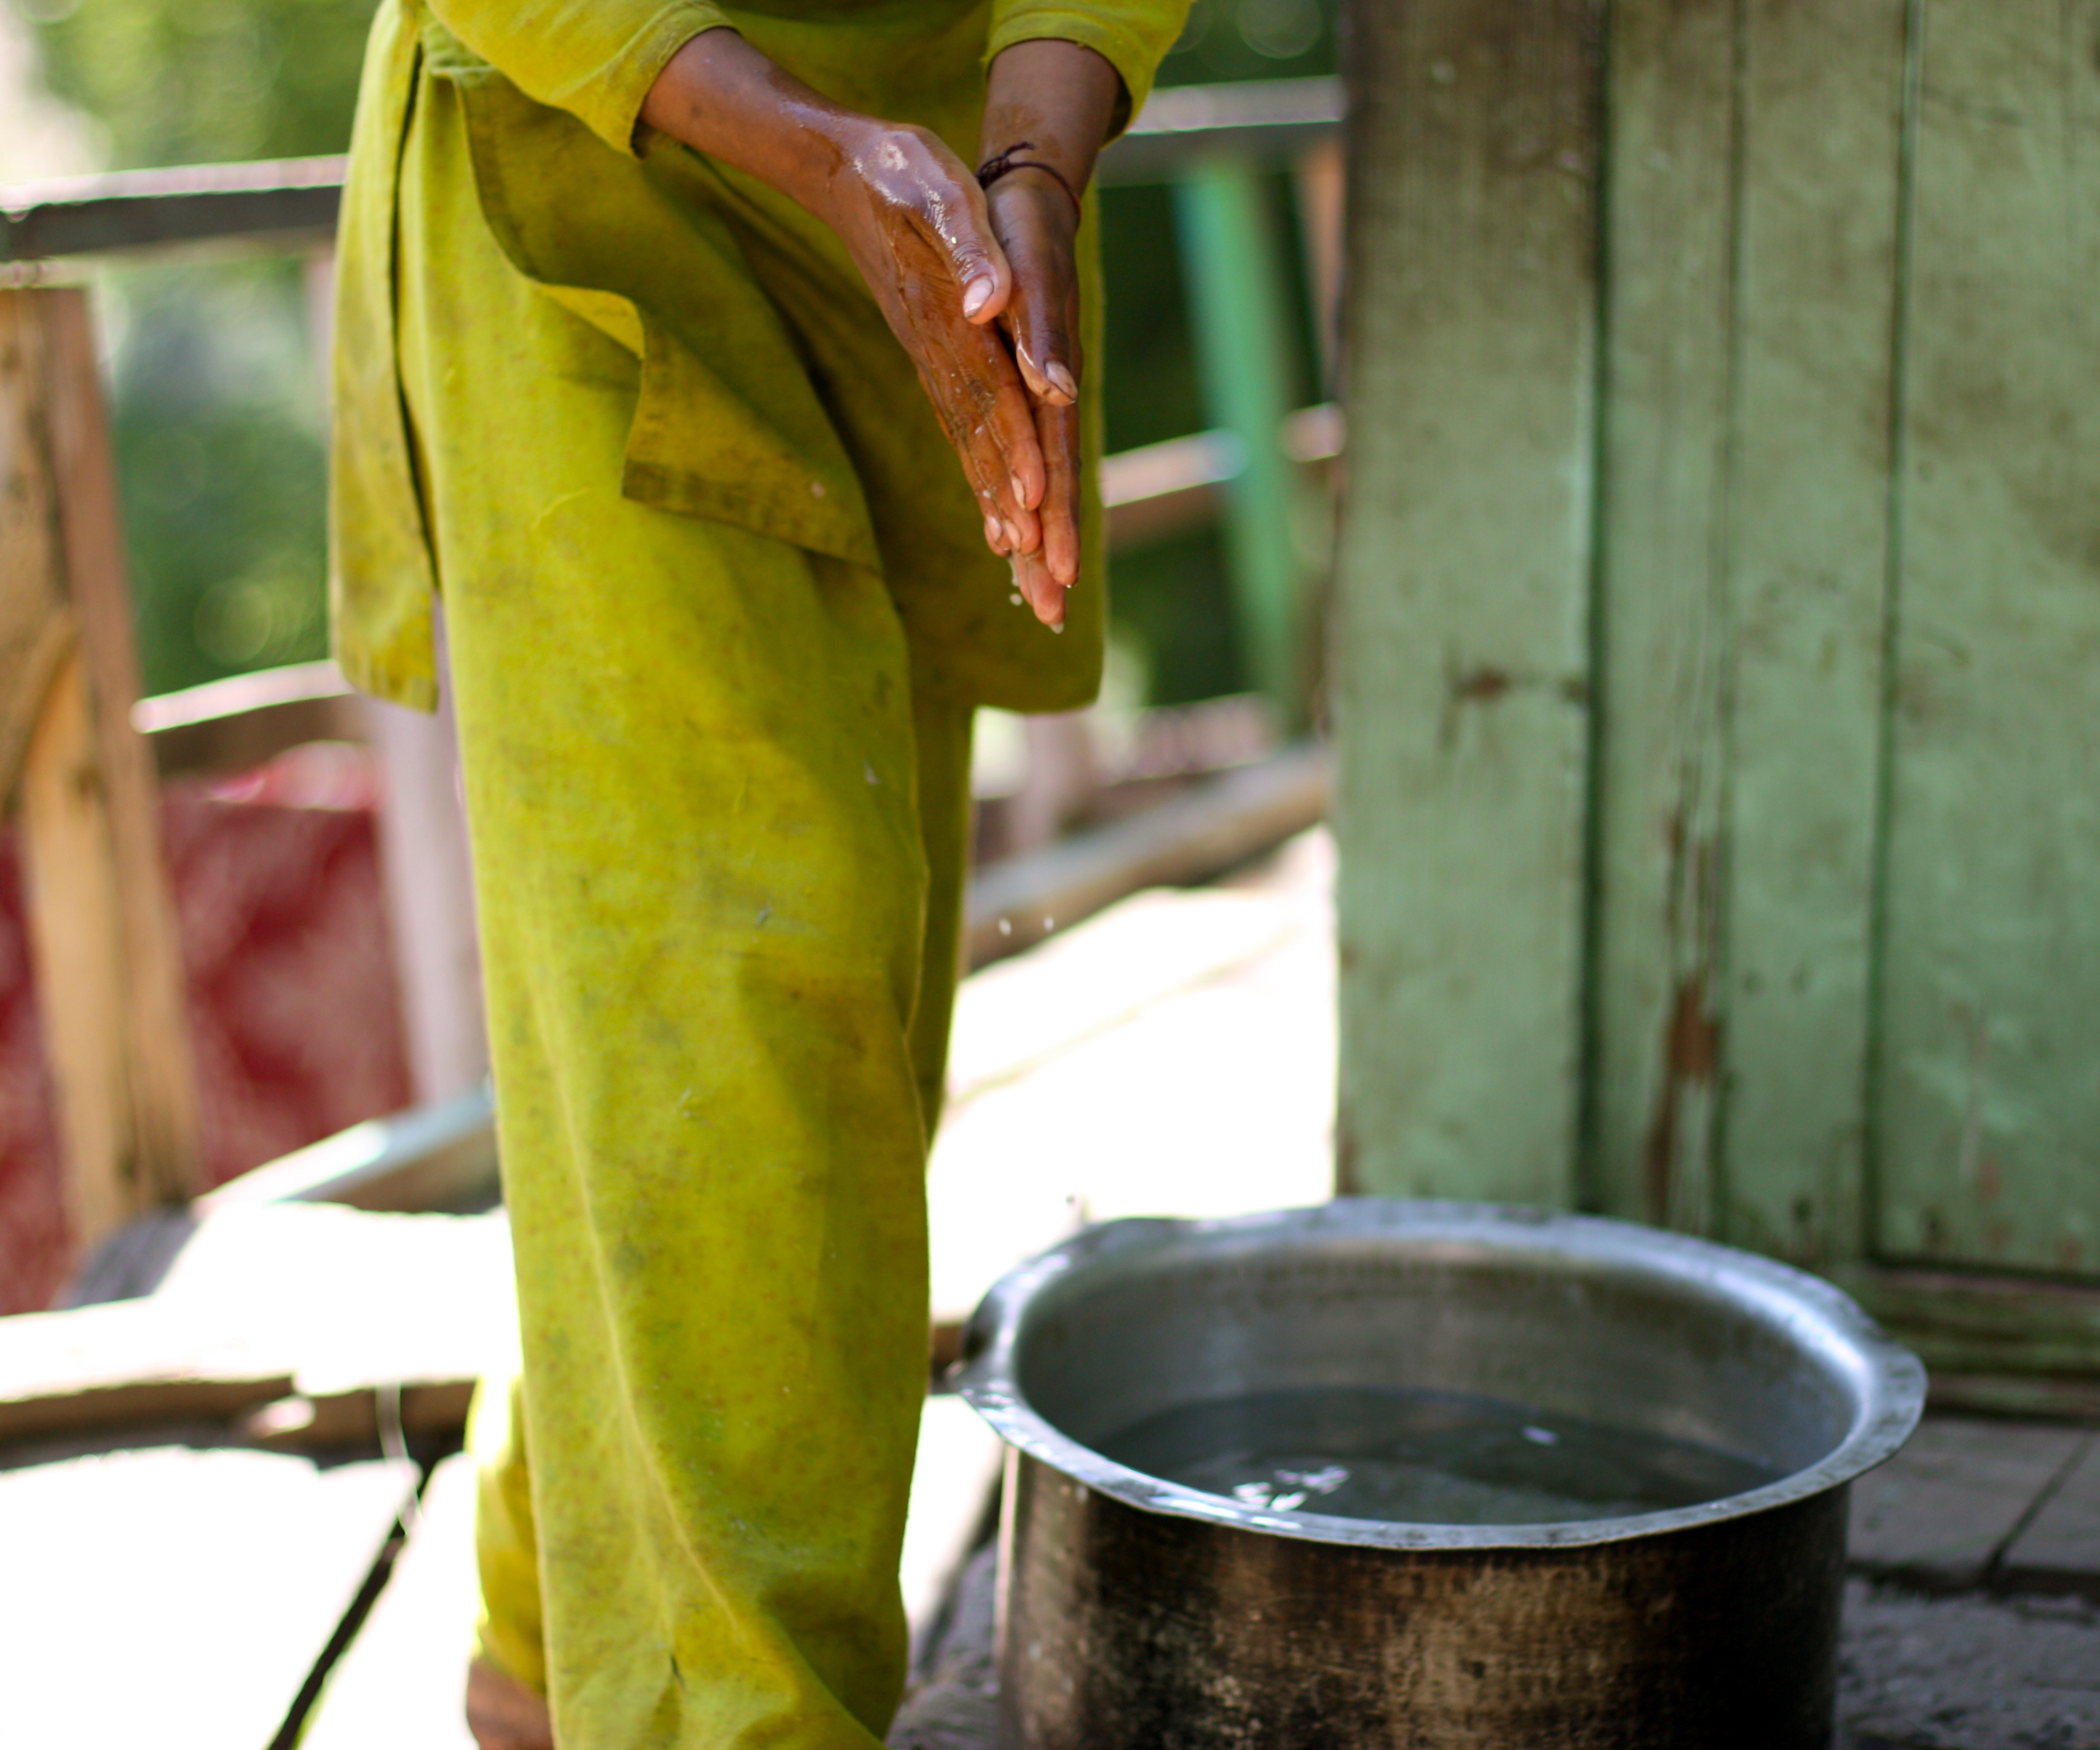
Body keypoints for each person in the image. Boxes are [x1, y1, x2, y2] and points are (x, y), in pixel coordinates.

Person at [327, 0, 1187, 1743]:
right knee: (743, 1016)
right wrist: (804, 137)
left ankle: (554, 1649)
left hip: (934, 211)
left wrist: (1038, 148)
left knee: (828, 1031)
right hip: (583, 135)